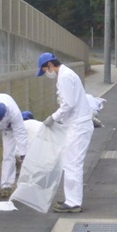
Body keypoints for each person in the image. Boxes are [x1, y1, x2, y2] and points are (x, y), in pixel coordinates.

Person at [36, 52, 94, 213]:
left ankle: (74, 202)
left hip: (78, 126)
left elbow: (68, 104)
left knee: (72, 164)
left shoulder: (65, 77)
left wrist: (53, 118)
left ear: (49, 65)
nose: (46, 74)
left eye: (45, 70)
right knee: (70, 163)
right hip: (77, 124)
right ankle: (71, 199)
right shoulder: (65, 75)